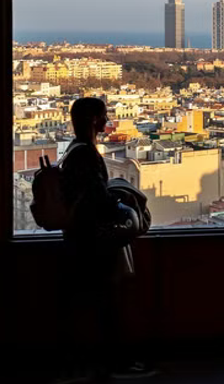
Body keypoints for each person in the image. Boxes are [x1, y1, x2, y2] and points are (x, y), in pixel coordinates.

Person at [58, 97, 156, 381]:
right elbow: (96, 198)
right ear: (94, 121)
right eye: (103, 116)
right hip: (92, 242)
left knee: (89, 304)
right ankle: (115, 363)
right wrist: (123, 205)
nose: (106, 121)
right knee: (107, 303)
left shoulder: (74, 150)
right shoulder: (86, 154)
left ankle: (87, 363)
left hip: (78, 240)